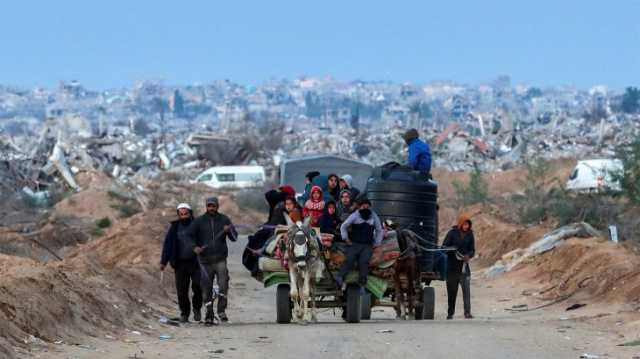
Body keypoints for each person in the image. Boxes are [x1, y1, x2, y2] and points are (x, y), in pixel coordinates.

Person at [190, 197, 238, 325]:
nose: (211, 208)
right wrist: (194, 247)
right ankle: (209, 314)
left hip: (220, 260)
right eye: (209, 206)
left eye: (214, 206)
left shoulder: (224, 219)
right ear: (206, 206)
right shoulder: (199, 221)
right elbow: (189, 237)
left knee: (223, 286)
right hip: (204, 261)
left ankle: (221, 311)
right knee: (206, 289)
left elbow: (234, 238)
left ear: (217, 206)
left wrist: (230, 230)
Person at [160, 203, 202, 323]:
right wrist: (163, 261)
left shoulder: (197, 225)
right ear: (178, 215)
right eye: (181, 214)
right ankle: (184, 314)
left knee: (198, 287)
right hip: (180, 264)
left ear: (190, 213)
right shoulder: (174, 228)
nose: (184, 216)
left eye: (186, 213)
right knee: (182, 291)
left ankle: (197, 308)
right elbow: (167, 245)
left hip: (196, 263)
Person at [336, 197, 383, 287]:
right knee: (349, 259)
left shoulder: (374, 216)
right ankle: (339, 277)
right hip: (354, 244)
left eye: (367, 206)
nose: (365, 208)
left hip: (367, 245)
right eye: (363, 206)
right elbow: (344, 226)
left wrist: (377, 243)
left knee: (364, 261)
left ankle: (362, 280)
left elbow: (379, 230)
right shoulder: (355, 215)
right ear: (359, 207)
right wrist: (346, 238)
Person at [443, 213, 476, 320]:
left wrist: (468, 256)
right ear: (461, 224)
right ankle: (450, 313)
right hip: (452, 268)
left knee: (466, 291)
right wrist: (452, 249)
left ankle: (467, 313)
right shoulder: (452, 233)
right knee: (452, 292)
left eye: (468, 225)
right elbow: (444, 247)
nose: (467, 226)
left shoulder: (470, 234)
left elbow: (472, 250)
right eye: (465, 224)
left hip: (464, 267)